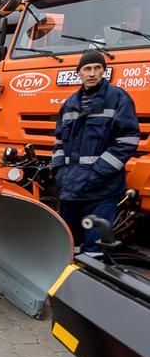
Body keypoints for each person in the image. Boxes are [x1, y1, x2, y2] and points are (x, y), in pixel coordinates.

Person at [52, 50, 140, 253]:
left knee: (95, 249)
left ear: (104, 72)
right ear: (79, 73)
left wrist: (98, 172)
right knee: (69, 246)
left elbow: (128, 140)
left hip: (101, 191)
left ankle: (92, 280)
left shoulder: (118, 98)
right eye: (87, 69)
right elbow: (59, 141)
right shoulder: (69, 104)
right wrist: (57, 170)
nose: (92, 73)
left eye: (97, 68)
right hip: (70, 190)